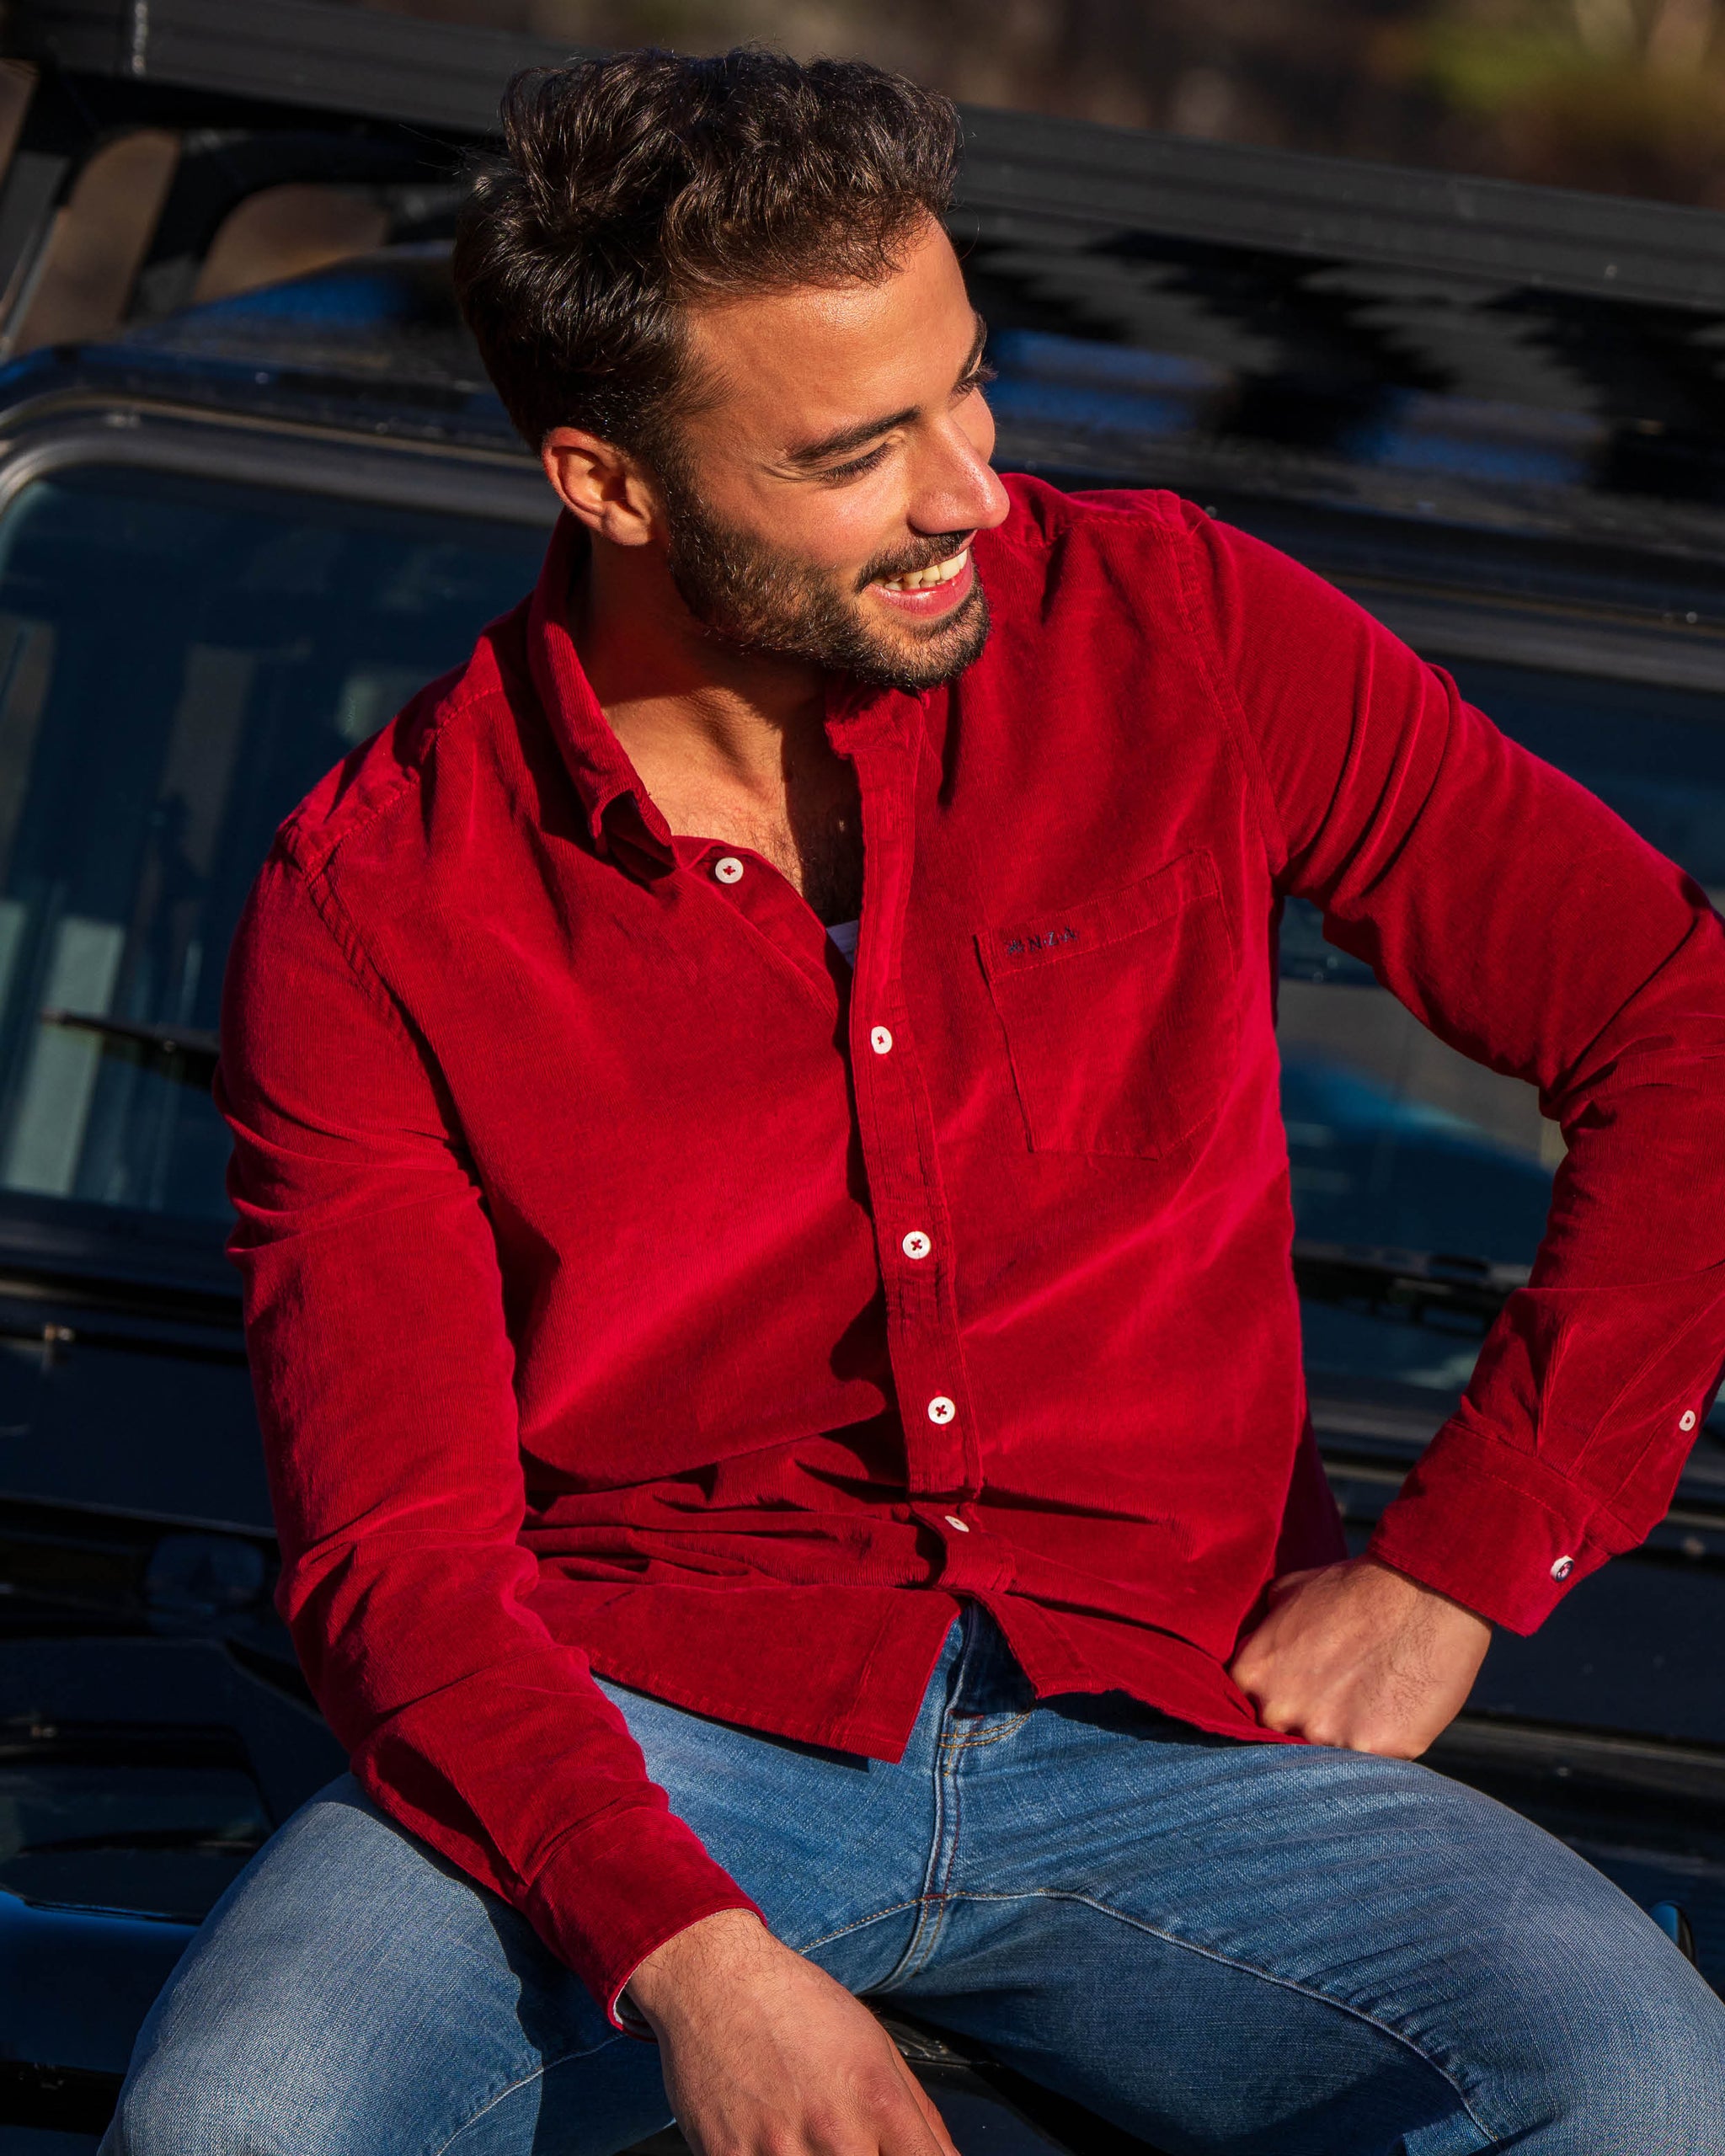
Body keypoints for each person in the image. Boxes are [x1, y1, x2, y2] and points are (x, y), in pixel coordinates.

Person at [106, 46, 1725, 2156]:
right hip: (645, 1721)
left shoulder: (1183, 629)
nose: (970, 483)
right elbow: (402, 1557)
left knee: (1637, 2076)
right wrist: (694, 1960)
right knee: (240, 2115)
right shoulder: (380, 892)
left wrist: (1468, 1552)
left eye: (970, 382)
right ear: (609, 483)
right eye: (862, 447)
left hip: (1189, 1720)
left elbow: (1680, 1018)